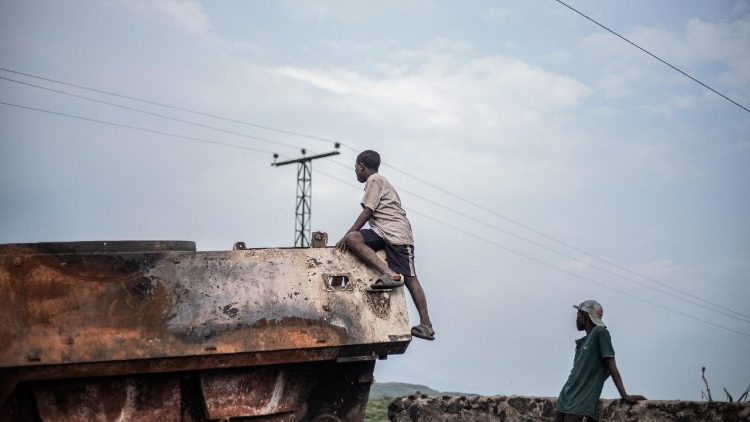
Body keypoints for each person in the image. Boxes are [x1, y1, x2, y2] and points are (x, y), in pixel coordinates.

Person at [336, 150, 435, 341]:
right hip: (382, 231)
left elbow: (367, 211)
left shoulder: (375, 180)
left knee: (410, 278)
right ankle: (387, 271)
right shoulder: (376, 182)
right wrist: (349, 236)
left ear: (361, 166)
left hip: (397, 234)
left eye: (355, 167)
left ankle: (426, 324)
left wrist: (345, 234)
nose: (355, 171)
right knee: (354, 239)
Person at [555, 300, 646, 421]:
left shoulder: (600, 332)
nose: (576, 318)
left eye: (578, 314)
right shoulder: (583, 342)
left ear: (586, 315)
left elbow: (611, 365)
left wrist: (624, 395)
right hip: (565, 398)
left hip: (580, 403)